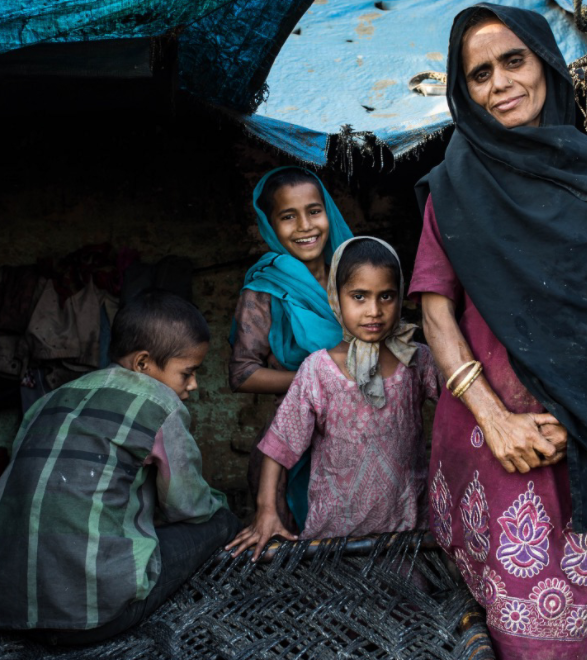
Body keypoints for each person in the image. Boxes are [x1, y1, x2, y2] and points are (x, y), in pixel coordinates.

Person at [408, 5, 587, 659]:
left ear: (545, 65)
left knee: (562, 632)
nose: (499, 83)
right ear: (461, 90)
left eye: (512, 61)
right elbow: (435, 310)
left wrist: (583, 420)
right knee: (484, 631)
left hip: (579, 445)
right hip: (484, 437)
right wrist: (495, 417)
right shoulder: (453, 187)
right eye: (477, 74)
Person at [0, 291, 239, 644]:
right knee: (221, 521)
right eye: (188, 372)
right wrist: (219, 504)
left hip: (14, 608)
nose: (193, 385)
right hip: (96, 615)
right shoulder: (159, 403)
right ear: (143, 364)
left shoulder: (49, 400)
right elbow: (187, 506)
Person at [227, 237, 440, 561]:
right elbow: (278, 447)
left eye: (386, 296)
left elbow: (457, 410)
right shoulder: (317, 371)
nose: (374, 311)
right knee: (340, 607)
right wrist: (266, 511)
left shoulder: (416, 360)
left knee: (403, 607)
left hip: (407, 531)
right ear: (335, 299)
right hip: (335, 535)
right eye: (359, 297)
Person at [229, 167, 353, 535]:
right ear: (269, 224)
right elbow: (241, 373)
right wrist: (321, 375)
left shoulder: (353, 278)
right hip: (290, 450)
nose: (305, 226)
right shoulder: (264, 289)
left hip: (356, 440)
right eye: (288, 216)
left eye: (314, 211)